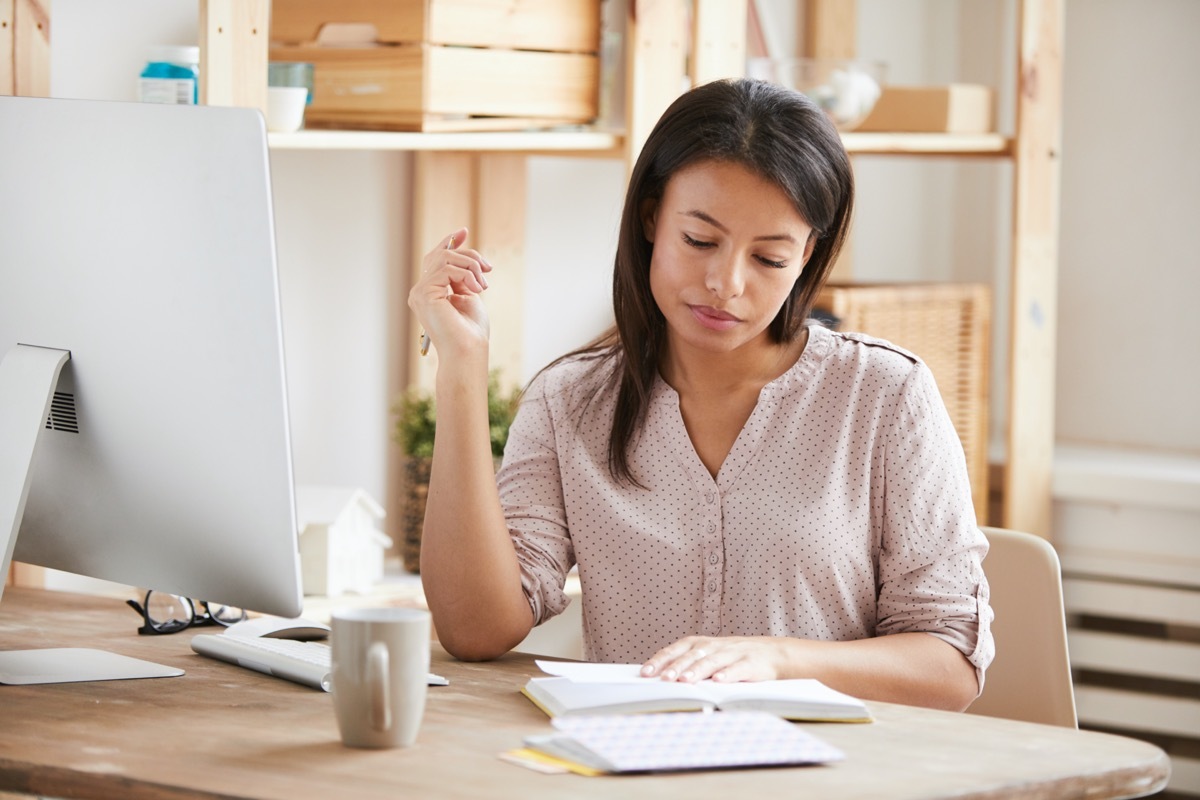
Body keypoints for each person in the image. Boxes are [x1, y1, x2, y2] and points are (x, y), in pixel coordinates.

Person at [408, 77, 993, 712]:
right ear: (652, 216)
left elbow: (950, 666)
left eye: (769, 259)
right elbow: (474, 630)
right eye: (700, 240)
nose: (725, 283)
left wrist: (778, 659)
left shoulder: (884, 396)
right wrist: (462, 370)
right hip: (634, 765)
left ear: (806, 257)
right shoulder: (569, 400)